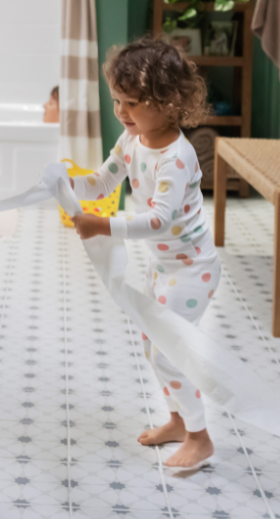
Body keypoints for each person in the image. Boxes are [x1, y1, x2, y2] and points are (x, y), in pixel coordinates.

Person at [69, 36, 222, 469]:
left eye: (132, 103)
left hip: (192, 271)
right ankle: (178, 420)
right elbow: (101, 183)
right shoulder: (132, 139)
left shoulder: (176, 158)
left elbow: (159, 220)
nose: (121, 112)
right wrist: (67, 183)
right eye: (117, 100)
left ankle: (200, 437)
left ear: (169, 103)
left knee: (167, 351)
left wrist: (102, 225)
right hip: (164, 266)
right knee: (153, 346)